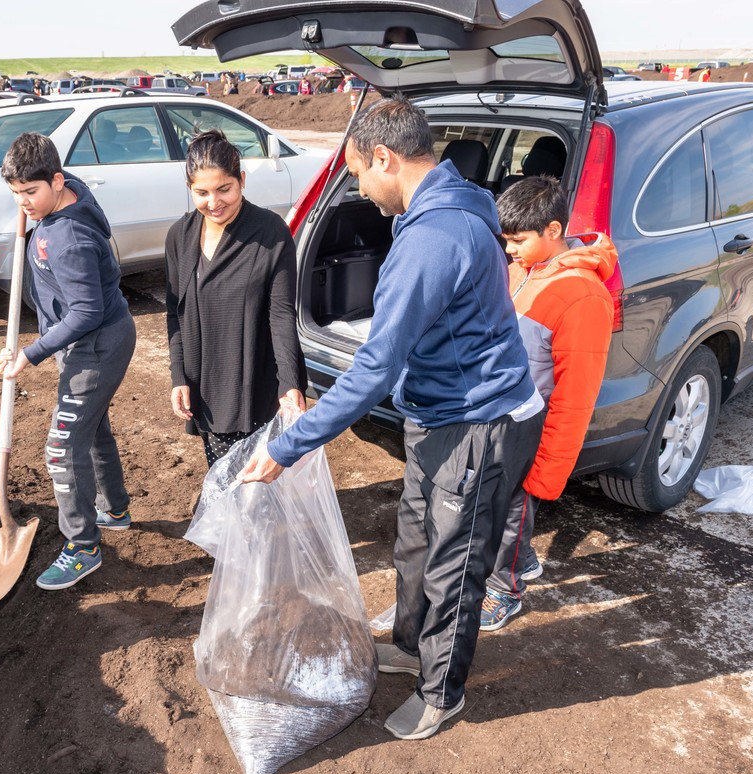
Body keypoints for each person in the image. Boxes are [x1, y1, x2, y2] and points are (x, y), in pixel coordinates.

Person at [237, 98, 544, 741]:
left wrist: (292, 444)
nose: (357, 188)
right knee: (414, 540)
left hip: (477, 421)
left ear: (386, 157)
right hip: (437, 412)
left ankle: (442, 692)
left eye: (357, 174)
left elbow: (374, 368)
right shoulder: (442, 204)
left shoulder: (435, 235)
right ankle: (410, 645)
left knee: (453, 563)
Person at [0, 132, 135, 591]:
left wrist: (30, 355)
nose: (24, 204)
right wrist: (31, 203)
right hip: (93, 339)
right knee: (92, 430)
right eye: (16, 194)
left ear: (57, 181)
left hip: (94, 346)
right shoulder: (62, 195)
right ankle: (114, 509)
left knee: (61, 445)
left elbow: (86, 312)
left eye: (31, 193)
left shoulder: (69, 237)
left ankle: (83, 547)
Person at [479, 177, 615, 631]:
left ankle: (505, 590)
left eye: (518, 240)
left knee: (515, 507)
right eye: (506, 240)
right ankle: (520, 561)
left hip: (531, 425)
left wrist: (548, 467)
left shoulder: (581, 296)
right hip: (503, 417)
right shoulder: (526, 268)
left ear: (553, 230)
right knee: (502, 505)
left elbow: (576, 396)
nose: (510, 249)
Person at [164, 130, 307, 466]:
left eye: (224, 189)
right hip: (207, 386)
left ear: (241, 179)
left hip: (255, 385)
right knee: (223, 475)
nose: (213, 203)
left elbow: (281, 314)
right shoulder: (180, 238)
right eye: (202, 192)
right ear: (190, 189)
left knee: (257, 481)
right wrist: (178, 377)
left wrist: (289, 383)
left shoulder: (271, 233)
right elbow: (175, 314)